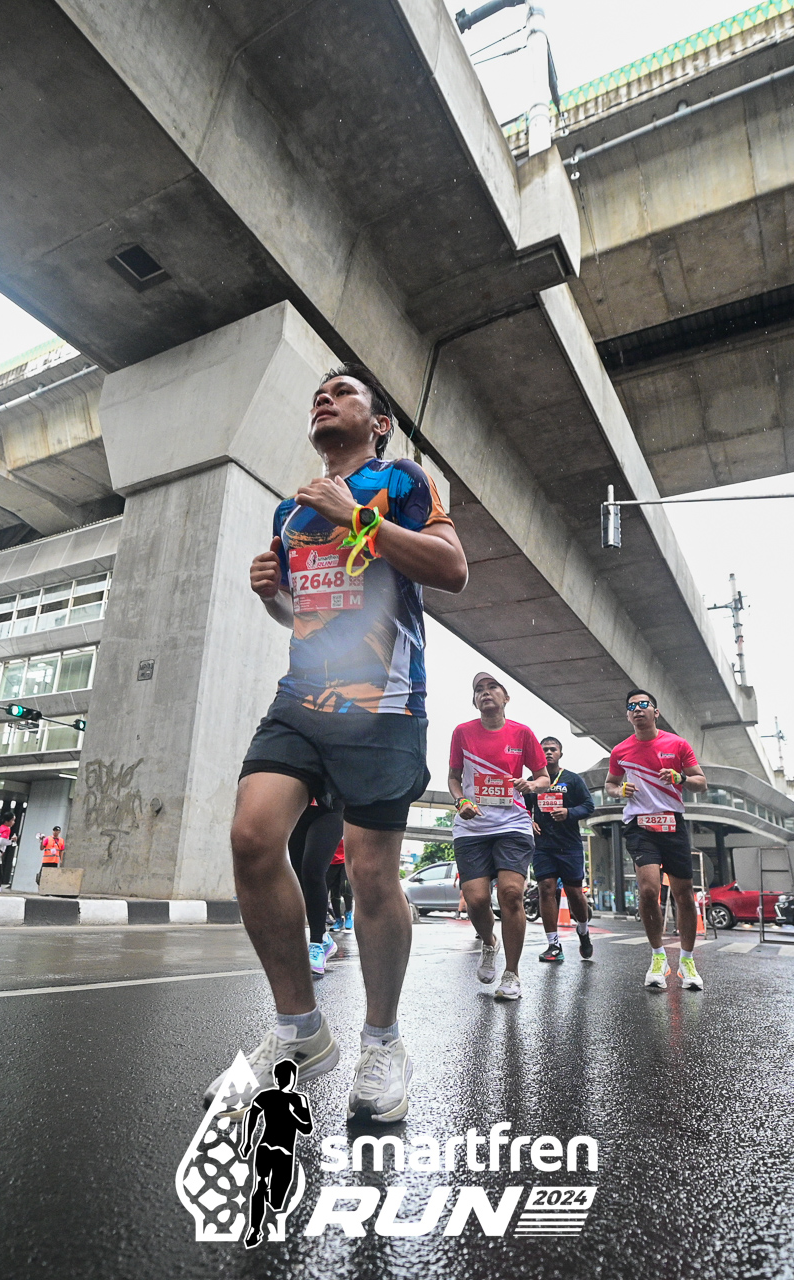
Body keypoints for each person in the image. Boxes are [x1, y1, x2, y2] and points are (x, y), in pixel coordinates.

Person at [209, 363, 466, 1124]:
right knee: (253, 838)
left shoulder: (401, 480)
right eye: (319, 394)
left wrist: (357, 518)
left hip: (384, 701)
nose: (326, 397)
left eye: (344, 391)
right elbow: (306, 615)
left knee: (370, 871)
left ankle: (382, 1042)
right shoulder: (290, 512)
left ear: (377, 423)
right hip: (303, 698)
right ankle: (299, 1028)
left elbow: (451, 569)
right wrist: (273, 595)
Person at [449, 671, 547, 1001]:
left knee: (511, 894)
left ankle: (512, 973)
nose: (486, 692)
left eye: (492, 687)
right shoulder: (462, 732)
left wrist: (531, 785)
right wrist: (460, 801)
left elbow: (543, 778)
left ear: (506, 697)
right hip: (472, 827)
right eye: (479, 689)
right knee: (476, 900)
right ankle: (490, 943)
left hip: (513, 825)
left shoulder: (522, 733)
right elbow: (453, 777)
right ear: (474, 700)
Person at [607, 688, 707, 991]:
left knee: (683, 893)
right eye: (632, 707)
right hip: (639, 826)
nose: (637, 709)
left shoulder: (677, 744)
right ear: (628, 716)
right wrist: (620, 791)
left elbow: (701, 782)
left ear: (656, 712)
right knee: (649, 891)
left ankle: (687, 961)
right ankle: (658, 957)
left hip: (672, 823)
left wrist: (680, 778)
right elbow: (610, 784)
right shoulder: (620, 751)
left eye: (643, 704)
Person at [527, 736, 596, 962]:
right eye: (544, 750)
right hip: (543, 846)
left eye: (552, 749)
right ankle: (553, 945)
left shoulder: (572, 779)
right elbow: (522, 807)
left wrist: (569, 813)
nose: (548, 753)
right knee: (546, 888)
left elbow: (589, 806)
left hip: (569, 845)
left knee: (574, 892)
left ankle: (583, 931)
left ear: (560, 754)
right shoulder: (532, 781)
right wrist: (529, 820)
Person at [241, 1058, 313, 1249]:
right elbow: (252, 1115)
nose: (286, 1079)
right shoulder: (269, 1096)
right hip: (269, 1147)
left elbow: (306, 1128)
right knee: (260, 1185)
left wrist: (291, 1115)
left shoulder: (297, 1099)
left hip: (281, 1152)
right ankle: (255, 1229)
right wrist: (247, 1141)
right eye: (284, 1076)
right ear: (279, 1078)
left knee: (276, 1201)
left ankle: (267, 1199)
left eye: (287, 1076)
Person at [286, 798, 343, 977]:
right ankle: (324, 938)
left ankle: (316, 943)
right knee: (302, 878)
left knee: (313, 870)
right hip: (297, 808)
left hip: (329, 806)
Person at [326, 840, 351, 933]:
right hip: (330, 862)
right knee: (334, 890)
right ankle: (338, 919)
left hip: (345, 860)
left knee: (345, 886)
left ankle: (348, 912)